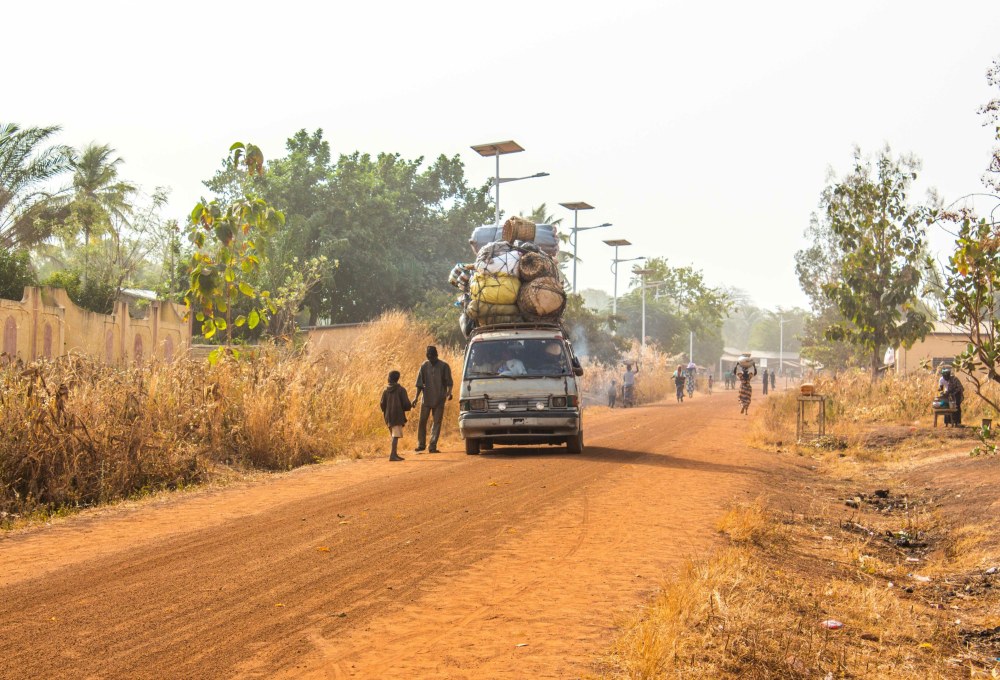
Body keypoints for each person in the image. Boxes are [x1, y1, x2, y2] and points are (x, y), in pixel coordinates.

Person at [414, 345, 453, 453]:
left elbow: (449, 383)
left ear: (436, 355)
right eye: (429, 357)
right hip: (426, 399)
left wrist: (449, 394)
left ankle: (432, 445)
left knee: (437, 422)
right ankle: (421, 444)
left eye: (432, 357)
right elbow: (419, 384)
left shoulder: (444, 366)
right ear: (427, 356)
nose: (430, 359)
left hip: (439, 399)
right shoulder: (424, 366)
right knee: (422, 422)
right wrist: (416, 398)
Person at [379, 370, 412, 461]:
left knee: (393, 435)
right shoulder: (401, 390)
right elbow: (406, 404)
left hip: (388, 416)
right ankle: (393, 455)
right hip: (397, 416)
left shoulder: (385, 390)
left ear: (389, 378)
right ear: (397, 379)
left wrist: (386, 412)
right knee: (395, 436)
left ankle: (395, 454)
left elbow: (382, 404)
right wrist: (410, 406)